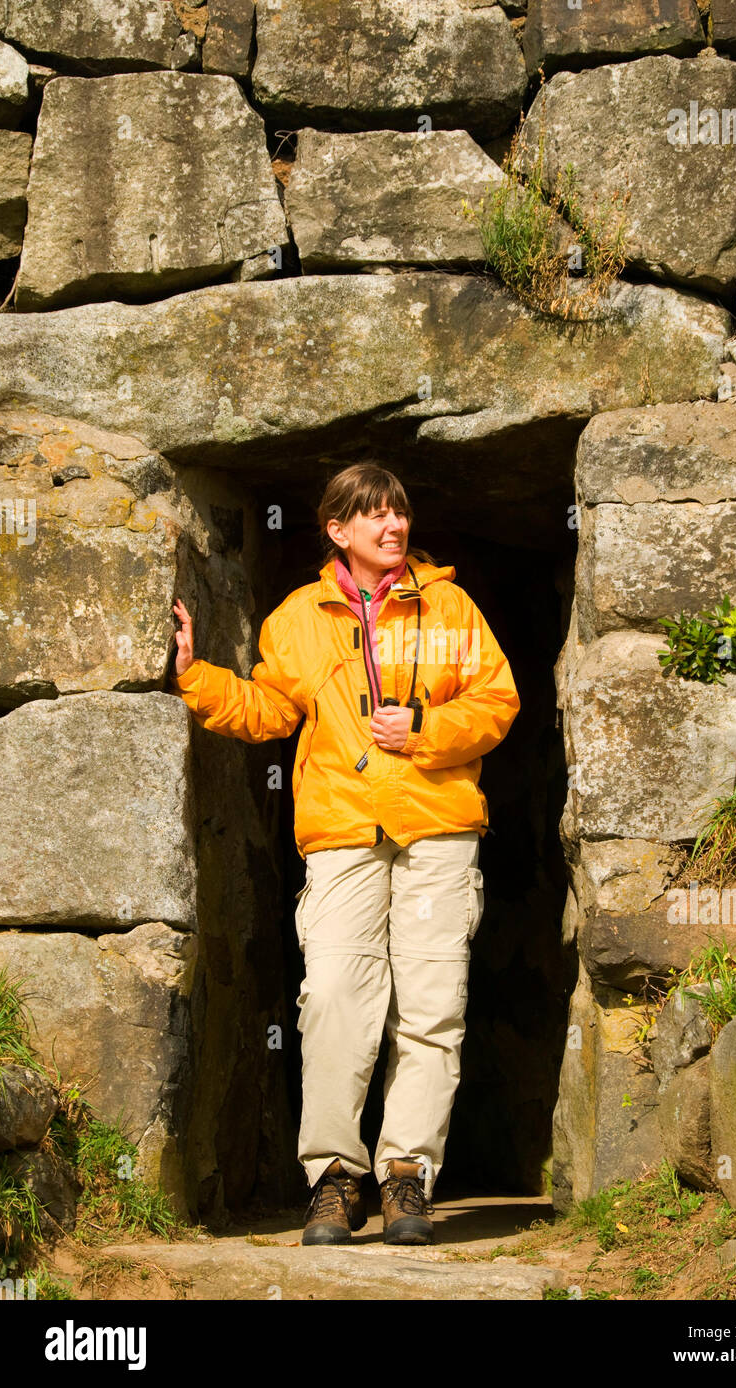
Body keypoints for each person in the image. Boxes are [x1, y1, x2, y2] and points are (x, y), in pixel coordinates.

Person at [169, 463, 520, 1245]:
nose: (392, 527)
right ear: (337, 530)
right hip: (340, 832)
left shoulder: (451, 605)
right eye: (374, 517)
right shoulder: (296, 617)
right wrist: (196, 678)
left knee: (431, 1012)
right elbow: (269, 709)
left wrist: (426, 732)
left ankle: (406, 1179)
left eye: (399, 513)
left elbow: (498, 701)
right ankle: (333, 1178)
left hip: (437, 829)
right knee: (330, 999)